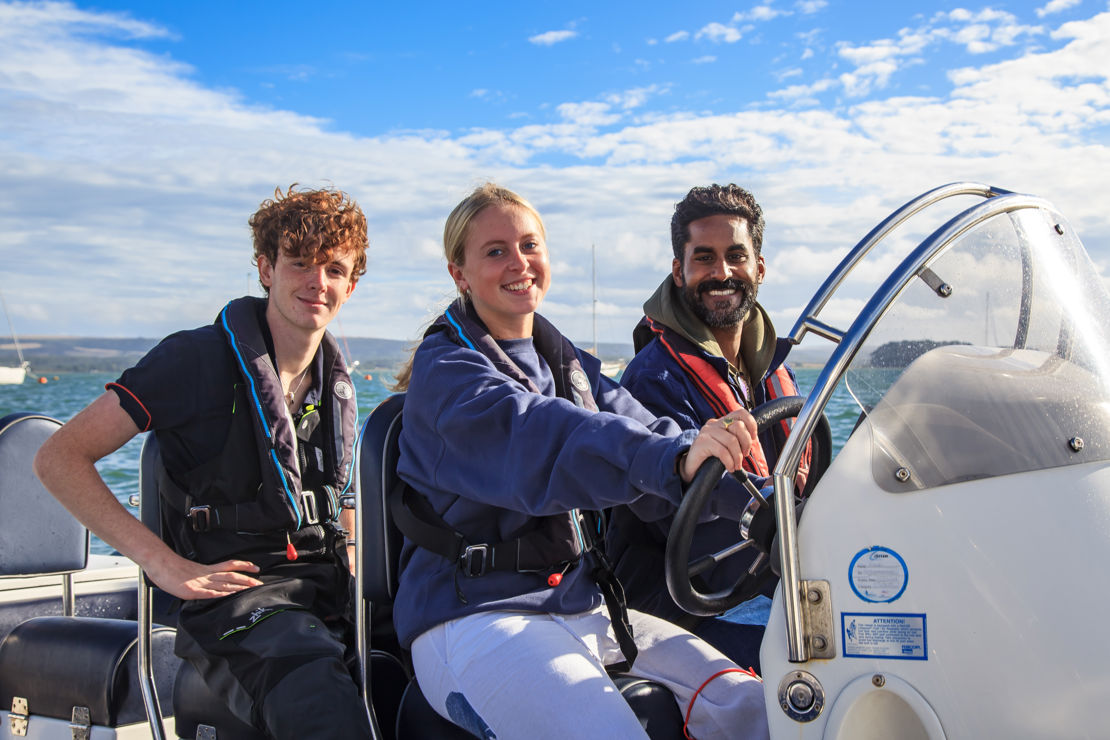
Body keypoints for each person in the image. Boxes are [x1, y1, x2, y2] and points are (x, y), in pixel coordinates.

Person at [391, 183, 769, 740]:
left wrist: (760, 502)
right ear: (459, 273)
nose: (519, 262)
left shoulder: (565, 362)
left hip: (581, 604)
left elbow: (649, 431)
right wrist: (674, 458)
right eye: (495, 251)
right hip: (474, 617)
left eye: (529, 245)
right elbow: (548, 438)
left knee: (758, 709)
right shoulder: (446, 373)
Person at [34, 186, 372, 738]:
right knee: (321, 702)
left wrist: (357, 553)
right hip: (235, 597)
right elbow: (59, 456)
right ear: (265, 269)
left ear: (350, 285)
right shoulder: (192, 359)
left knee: (427, 656)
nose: (318, 281)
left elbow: (339, 497)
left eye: (334, 269)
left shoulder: (332, 382)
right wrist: (162, 564)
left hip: (326, 579)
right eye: (300, 263)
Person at [607, 183, 809, 673]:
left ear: (759, 268)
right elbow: (679, 509)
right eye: (704, 258)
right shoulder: (653, 381)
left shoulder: (771, 370)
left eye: (736, 256)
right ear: (679, 271)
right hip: (687, 608)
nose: (722, 273)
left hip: (774, 582)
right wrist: (788, 518)